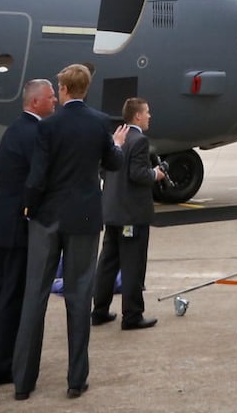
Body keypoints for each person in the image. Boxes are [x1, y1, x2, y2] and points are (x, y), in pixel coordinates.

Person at [10, 64, 126, 401]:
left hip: (47, 219)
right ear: (85, 89)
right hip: (85, 220)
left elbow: (38, 175)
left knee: (36, 297)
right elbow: (114, 164)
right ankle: (76, 379)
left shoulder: (48, 126)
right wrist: (116, 145)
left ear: (63, 90)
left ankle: (23, 381)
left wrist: (29, 206)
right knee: (78, 297)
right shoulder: (99, 123)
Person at [0, 78, 54, 387]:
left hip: (2, 227)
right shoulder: (35, 134)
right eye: (50, 97)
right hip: (19, 228)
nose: (54, 101)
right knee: (12, 298)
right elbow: (38, 181)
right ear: (35, 102)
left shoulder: (14, 130)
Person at [93, 97, 161, 332]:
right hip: (131, 214)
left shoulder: (117, 138)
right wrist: (156, 175)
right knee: (133, 264)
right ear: (138, 116)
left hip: (111, 210)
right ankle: (132, 315)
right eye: (147, 112)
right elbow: (138, 174)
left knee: (108, 262)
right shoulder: (139, 140)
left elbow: (103, 169)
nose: (150, 116)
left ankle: (99, 310)